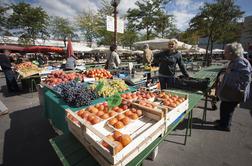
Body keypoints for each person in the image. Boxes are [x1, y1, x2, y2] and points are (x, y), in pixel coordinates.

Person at [215, 42, 252, 132]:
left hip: (234, 92)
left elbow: (246, 77)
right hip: (230, 91)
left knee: (227, 108)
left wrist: (230, 72)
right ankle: (223, 121)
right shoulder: (235, 61)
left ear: (232, 53)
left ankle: (225, 125)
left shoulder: (241, 61)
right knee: (225, 107)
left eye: (226, 52)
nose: (224, 53)